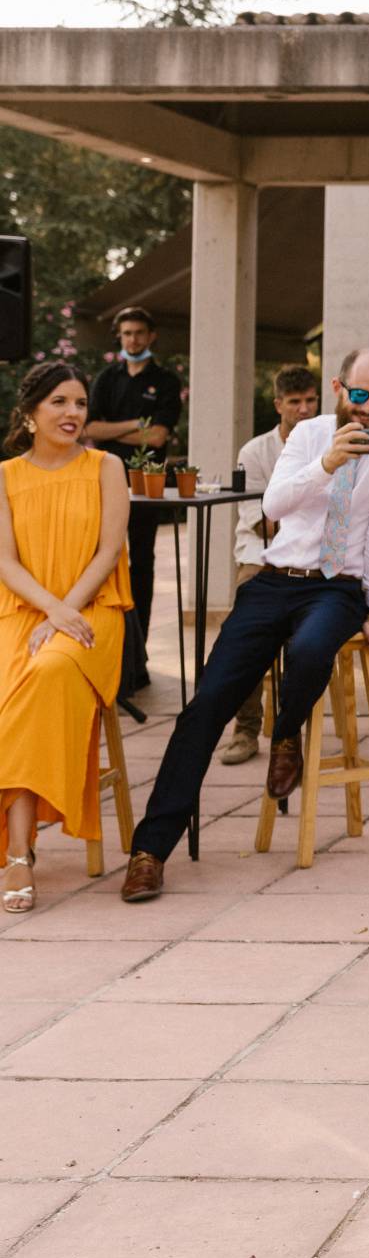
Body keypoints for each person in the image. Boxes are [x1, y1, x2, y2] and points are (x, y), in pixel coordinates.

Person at [118, 350, 369, 903]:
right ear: (339, 387)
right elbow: (274, 505)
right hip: (276, 577)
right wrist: (327, 462)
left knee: (310, 649)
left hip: (337, 584)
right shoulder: (307, 435)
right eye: (360, 395)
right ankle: (149, 852)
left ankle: (285, 732)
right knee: (206, 704)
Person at [0, 363, 131, 913]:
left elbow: (108, 552)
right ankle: (19, 844)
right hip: (23, 613)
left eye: (79, 403)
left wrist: (63, 612)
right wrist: (50, 610)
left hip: (91, 614)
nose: (73, 413)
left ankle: (18, 852)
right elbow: (5, 562)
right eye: (59, 402)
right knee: (17, 690)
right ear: (30, 413)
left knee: (47, 671)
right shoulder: (5, 475)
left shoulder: (107, 466)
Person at [218, 364, 320, 767]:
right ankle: (246, 729)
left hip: (312, 558)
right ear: (278, 405)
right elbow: (261, 522)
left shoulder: (331, 443)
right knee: (246, 633)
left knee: (312, 636)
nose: (304, 409)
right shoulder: (255, 453)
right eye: (295, 402)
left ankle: (291, 731)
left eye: (310, 400)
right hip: (260, 557)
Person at [83, 305, 177, 701]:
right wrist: (136, 425)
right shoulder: (107, 379)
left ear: (151, 336)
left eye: (139, 332)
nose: (133, 339)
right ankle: (108, 657)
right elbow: (89, 428)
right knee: (103, 564)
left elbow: (158, 438)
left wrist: (116, 431)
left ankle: (137, 662)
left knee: (141, 566)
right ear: (119, 337)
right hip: (103, 486)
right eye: (126, 333)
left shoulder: (166, 381)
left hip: (145, 487)